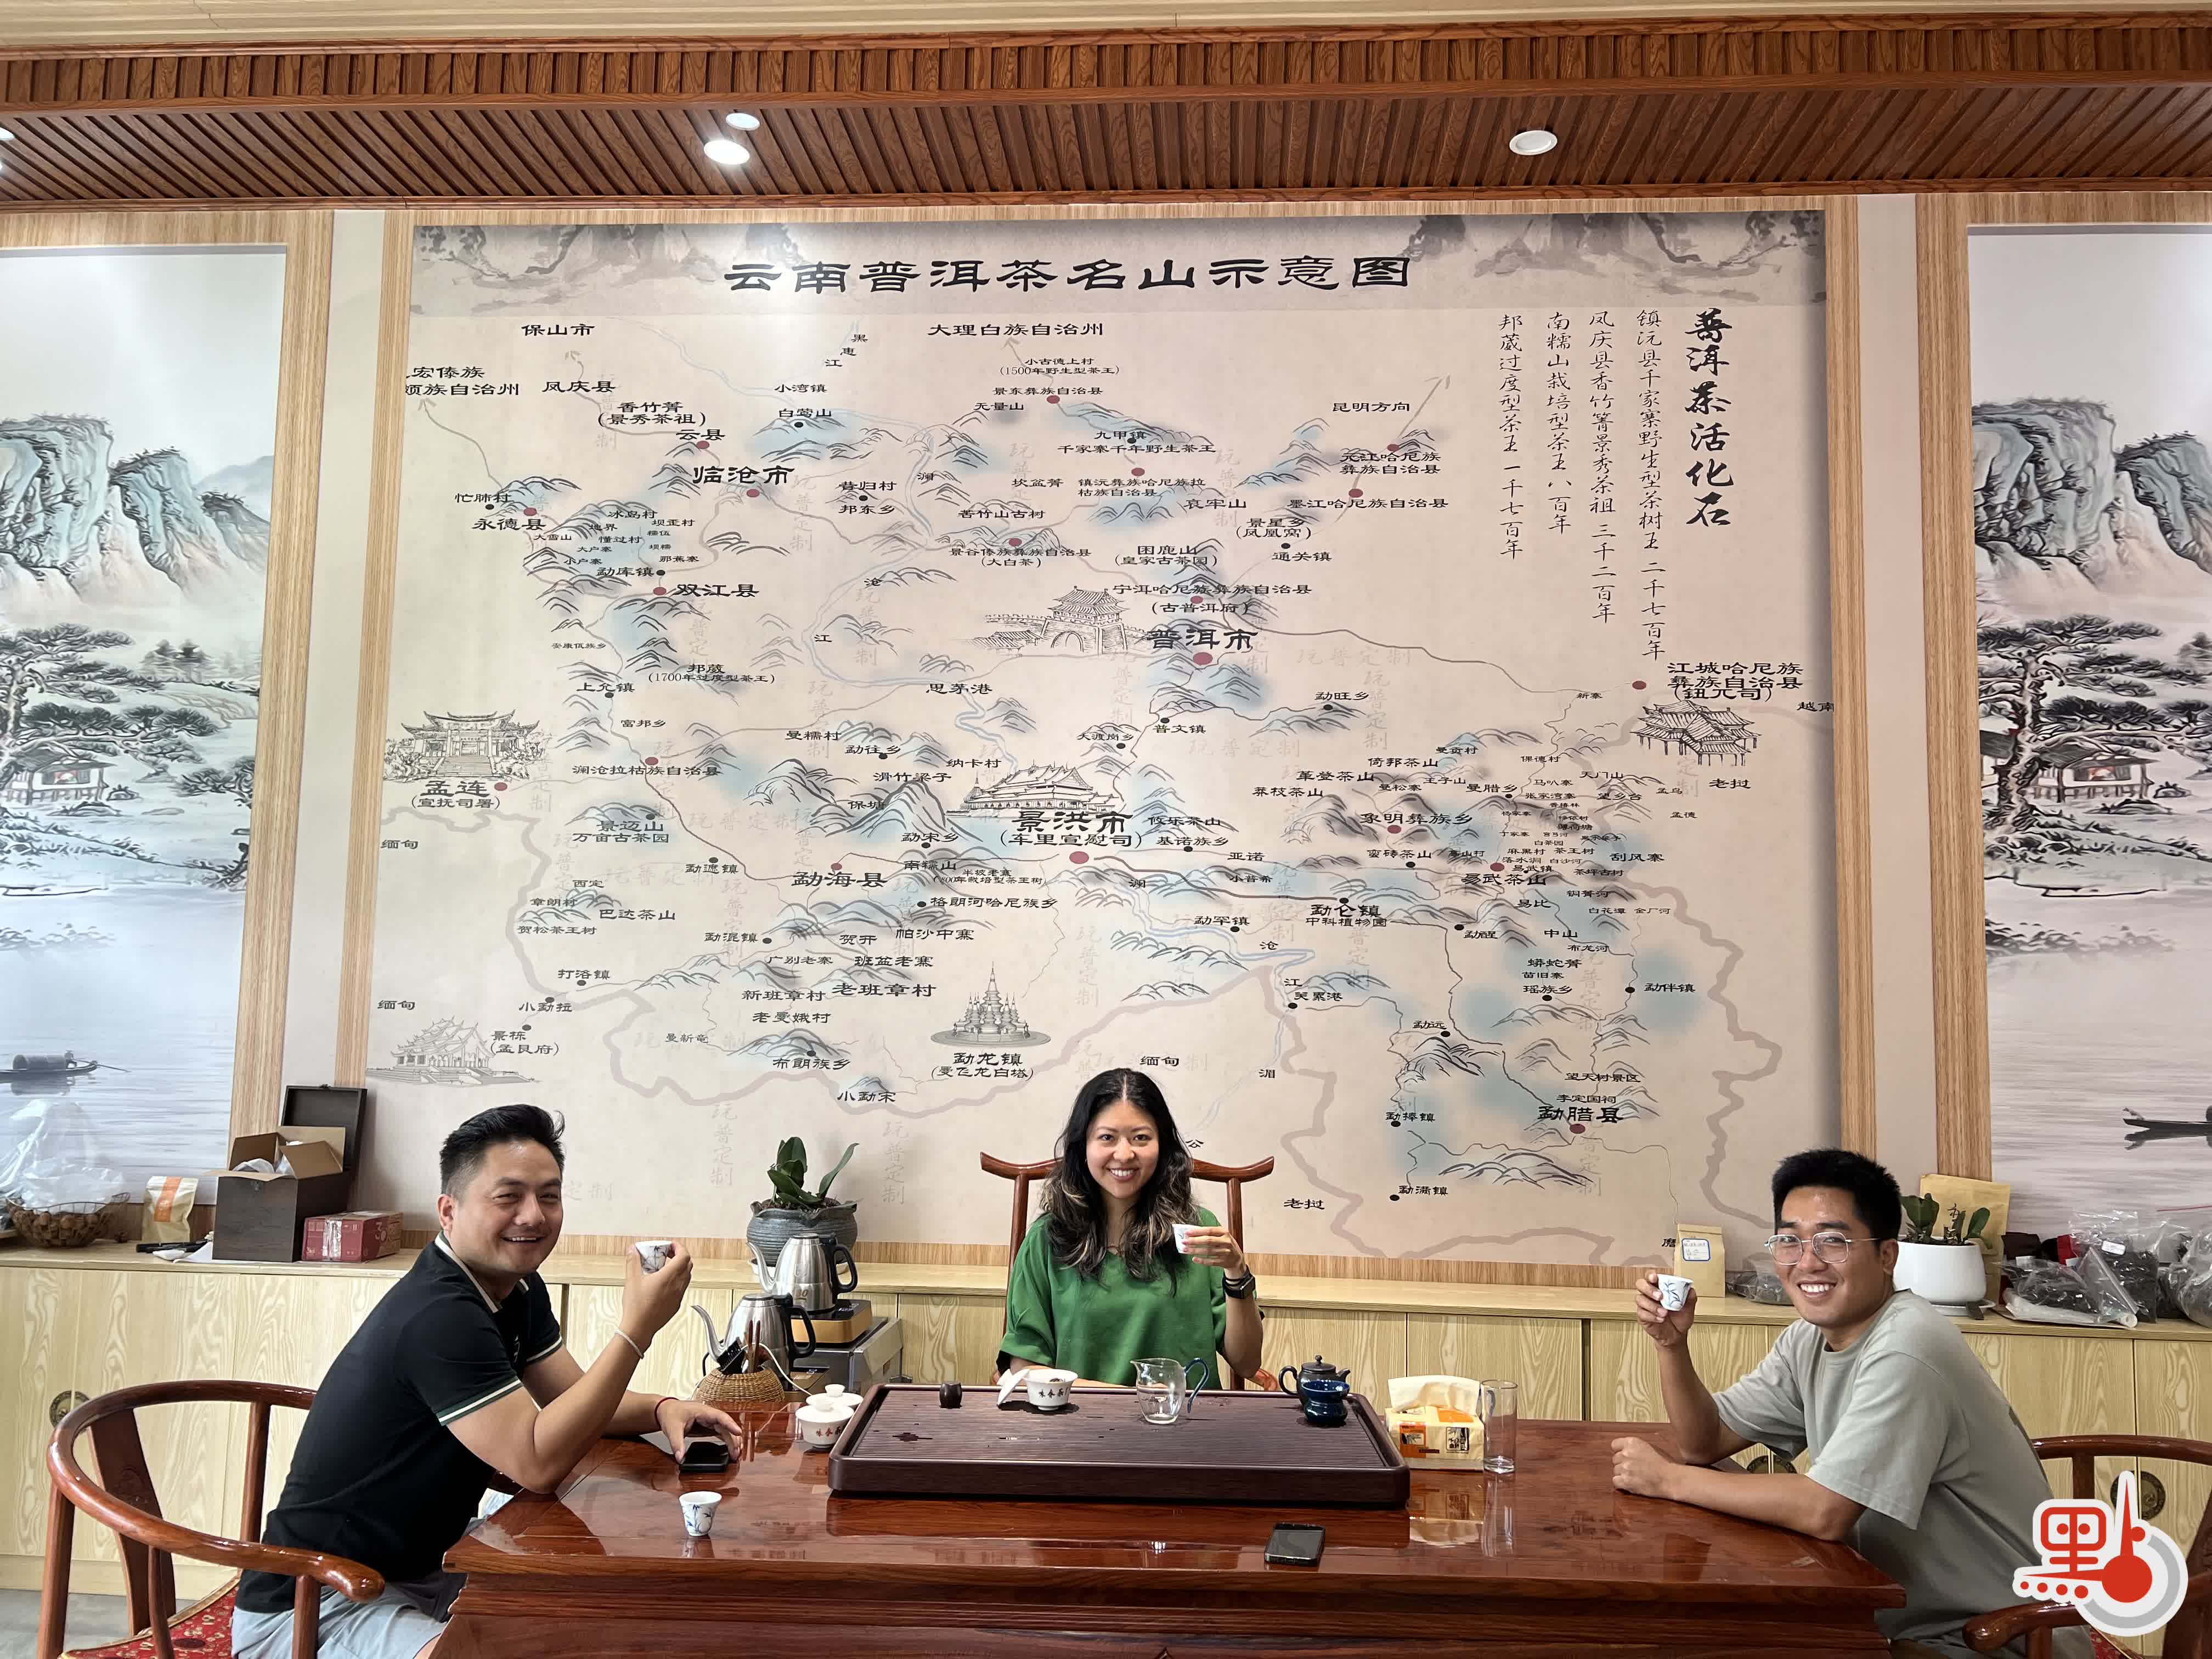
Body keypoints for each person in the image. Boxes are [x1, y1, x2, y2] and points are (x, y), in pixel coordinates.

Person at [232, 1105, 740, 1659]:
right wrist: (637, 1330)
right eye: (508, 1197)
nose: (534, 1216)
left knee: (607, 1617)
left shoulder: (515, 1288)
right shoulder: (439, 1314)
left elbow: (573, 1401)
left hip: (429, 1566)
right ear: (448, 1212)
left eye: (549, 1196)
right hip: (319, 1598)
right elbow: (537, 1464)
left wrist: (662, 1408)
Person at [1610, 1148, 2090, 1659]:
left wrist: (1668, 1481)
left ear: (1887, 1256)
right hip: (1896, 1618)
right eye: (1790, 1240)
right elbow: (1704, 1442)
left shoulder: (1907, 1348)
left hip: (2000, 1638)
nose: (1807, 1262)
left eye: (1833, 1241)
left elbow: (1825, 1511)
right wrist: (1671, 1345)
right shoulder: (1810, 1339)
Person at [996, 1067, 1262, 1389]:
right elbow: (1025, 1369)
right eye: (1107, 1137)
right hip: (1082, 1418)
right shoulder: (1047, 1239)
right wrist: (1138, 1398)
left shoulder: (1197, 1230)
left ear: (1163, 1146)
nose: (1124, 1154)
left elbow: (1247, 1362)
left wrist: (1237, 1272)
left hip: (1188, 1419)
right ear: (1083, 1147)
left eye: (1141, 1138)